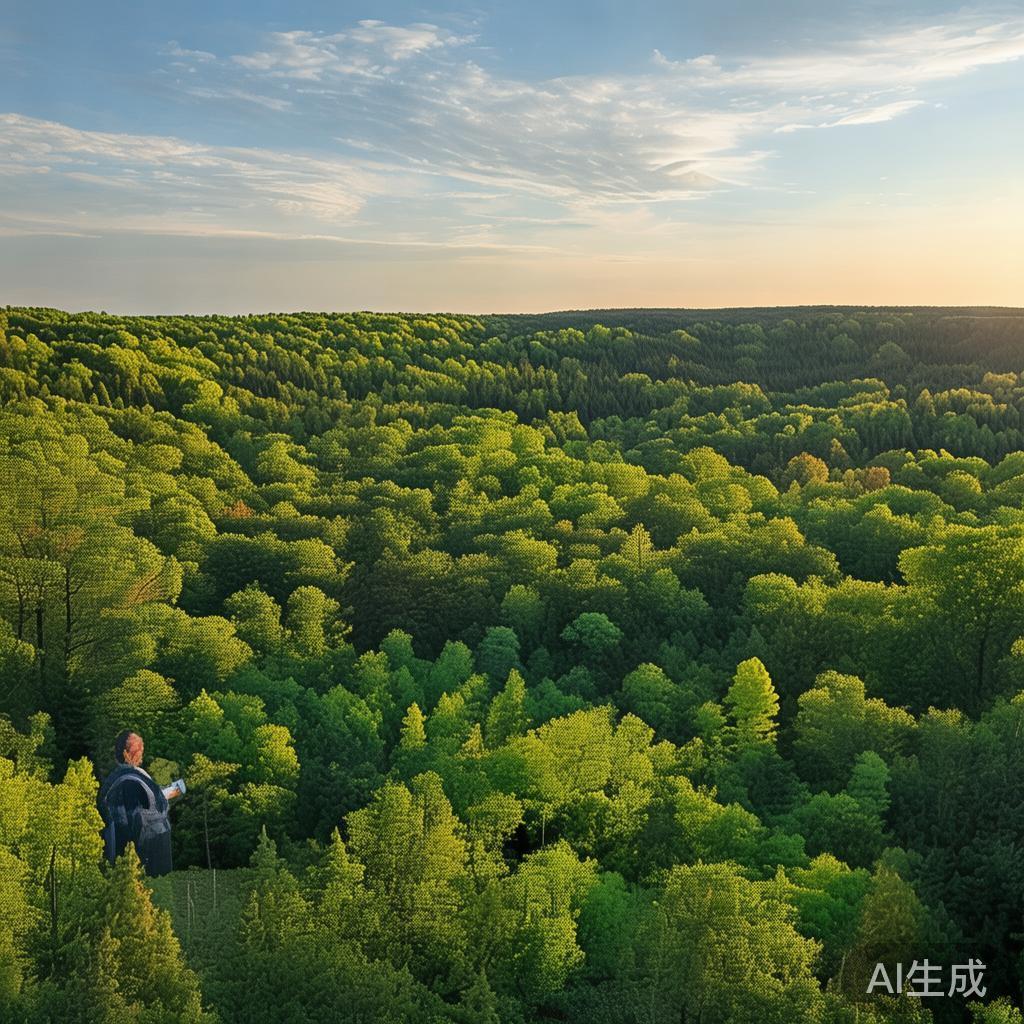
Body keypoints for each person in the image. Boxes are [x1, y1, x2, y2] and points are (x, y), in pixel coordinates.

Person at [97, 730, 173, 877]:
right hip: (138, 862)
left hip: (136, 860)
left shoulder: (127, 777)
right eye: (138, 749)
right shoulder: (129, 782)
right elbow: (128, 824)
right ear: (126, 753)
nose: (141, 752)